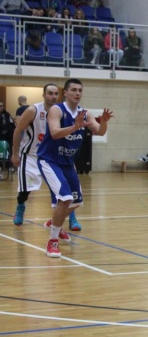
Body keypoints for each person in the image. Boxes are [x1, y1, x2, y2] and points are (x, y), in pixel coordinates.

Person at [37, 79, 112, 258]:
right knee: (65, 198)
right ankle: (52, 242)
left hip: (68, 163)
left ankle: (54, 222)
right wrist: (75, 127)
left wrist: (104, 122)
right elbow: (55, 133)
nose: (77, 93)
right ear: (65, 93)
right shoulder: (57, 110)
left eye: (80, 90)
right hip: (50, 160)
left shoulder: (85, 114)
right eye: (74, 90)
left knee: (76, 202)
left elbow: (100, 131)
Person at [11, 84, 82, 231]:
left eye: (56, 94)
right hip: (31, 155)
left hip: (54, 157)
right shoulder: (33, 110)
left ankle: (71, 217)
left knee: (66, 190)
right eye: (50, 93)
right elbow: (18, 131)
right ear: (43, 95)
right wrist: (15, 153)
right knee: (25, 190)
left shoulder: (63, 111)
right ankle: (21, 205)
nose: (53, 96)